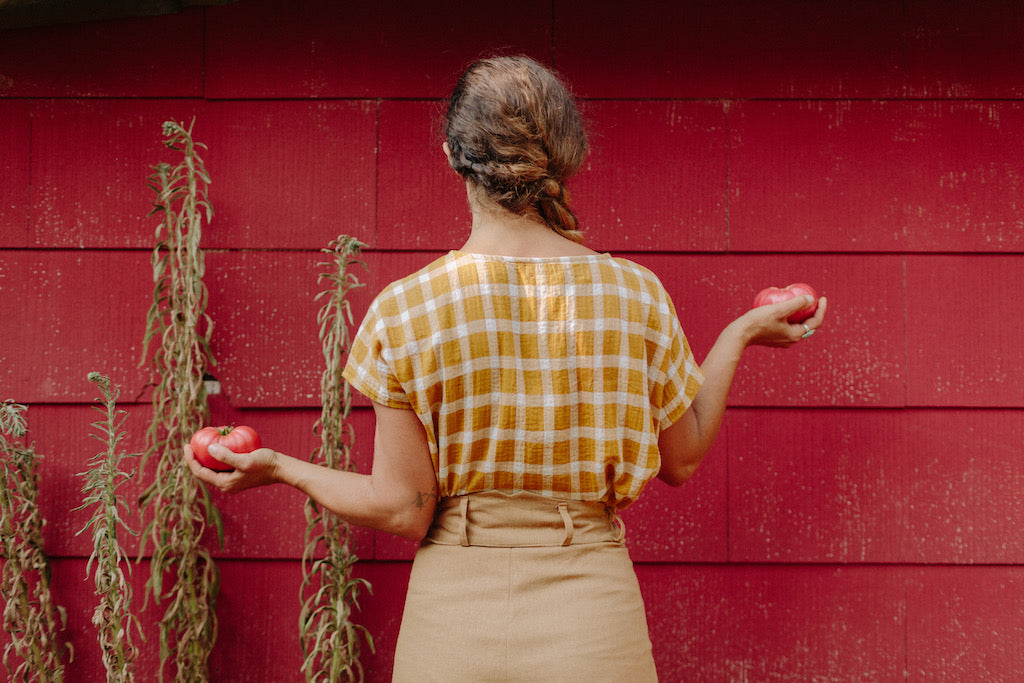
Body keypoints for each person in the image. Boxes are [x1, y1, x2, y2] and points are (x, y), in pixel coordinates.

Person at [185, 55, 827, 681]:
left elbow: (404, 509)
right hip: (591, 616)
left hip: (453, 618)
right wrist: (739, 335)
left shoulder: (404, 309)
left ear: (451, 155)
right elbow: (681, 460)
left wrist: (277, 468)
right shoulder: (636, 295)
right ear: (567, 157)